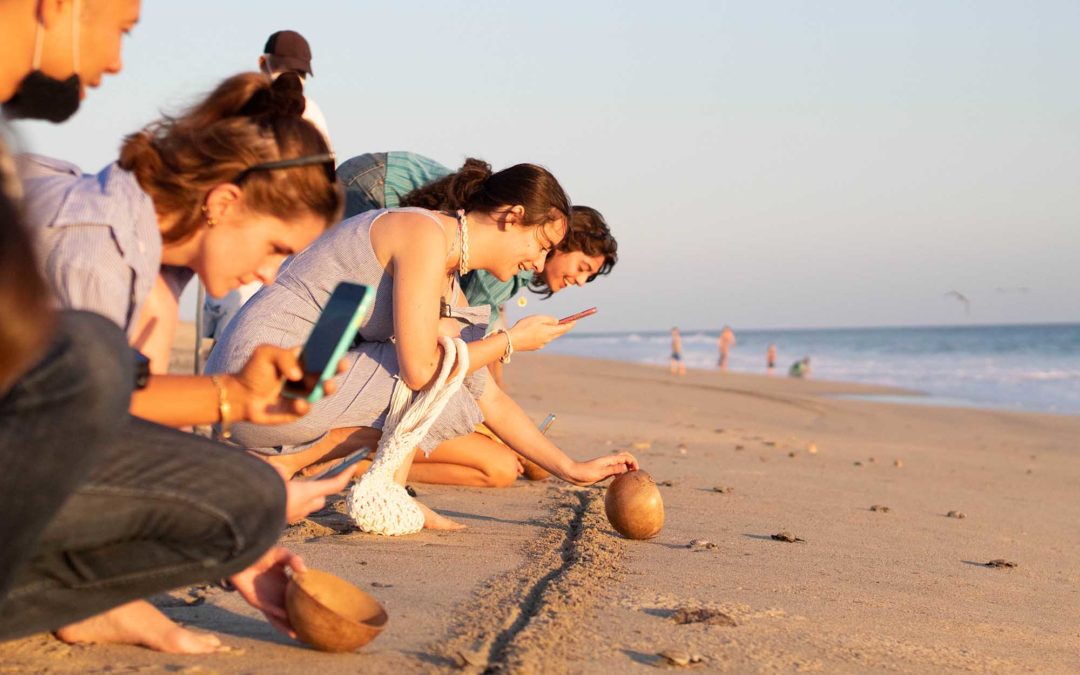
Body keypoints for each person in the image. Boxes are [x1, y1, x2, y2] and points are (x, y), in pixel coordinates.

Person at [7, 70, 355, 653]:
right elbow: (76, 433)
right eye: (275, 248)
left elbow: (112, 411)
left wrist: (241, 537)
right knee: (253, 494)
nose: (271, 275)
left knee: (241, 494)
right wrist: (228, 500)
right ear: (222, 202)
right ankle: (85, 598)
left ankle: (97, 601)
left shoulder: (142, 247)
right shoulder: (98, 251)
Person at [206, 158, 638, 525]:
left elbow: (485, 392)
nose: (538, 263)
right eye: (541, 245)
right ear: (511, 216)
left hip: (283, 385)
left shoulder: (447, 272)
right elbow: (419, 371)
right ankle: (291, 466)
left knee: (451, 363)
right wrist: (509, 341)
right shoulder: (422, 235)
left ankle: (321, 473)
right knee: (434, 365)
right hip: (257, 380)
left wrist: (570, 468)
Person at [200, 30, 332, 345]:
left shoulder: (239, 107)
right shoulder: (312, 114)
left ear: (263, 63)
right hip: (288, 253)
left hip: (233, 244)